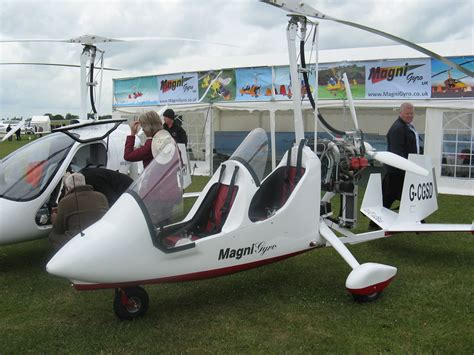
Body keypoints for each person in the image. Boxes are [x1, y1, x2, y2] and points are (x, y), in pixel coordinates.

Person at [48, 172, 109, 251]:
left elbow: (59, 229)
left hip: (78, 241)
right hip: (102, 236)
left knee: (52, 236)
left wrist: (54, 219)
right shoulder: (101, 196)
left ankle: (66, 257)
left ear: (68, 188)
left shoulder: (64, 201)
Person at [383, 102, 422, 209]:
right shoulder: (398, 129)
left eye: (411, 114)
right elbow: (397, 153)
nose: (409, 116)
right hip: (397, 171)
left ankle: (374, 223)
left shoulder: (406, 127)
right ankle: (375, 222)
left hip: (403, 169)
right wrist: (407, 169)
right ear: (400, 113)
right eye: (407, 114)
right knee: (390, 197)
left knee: (392, 197)